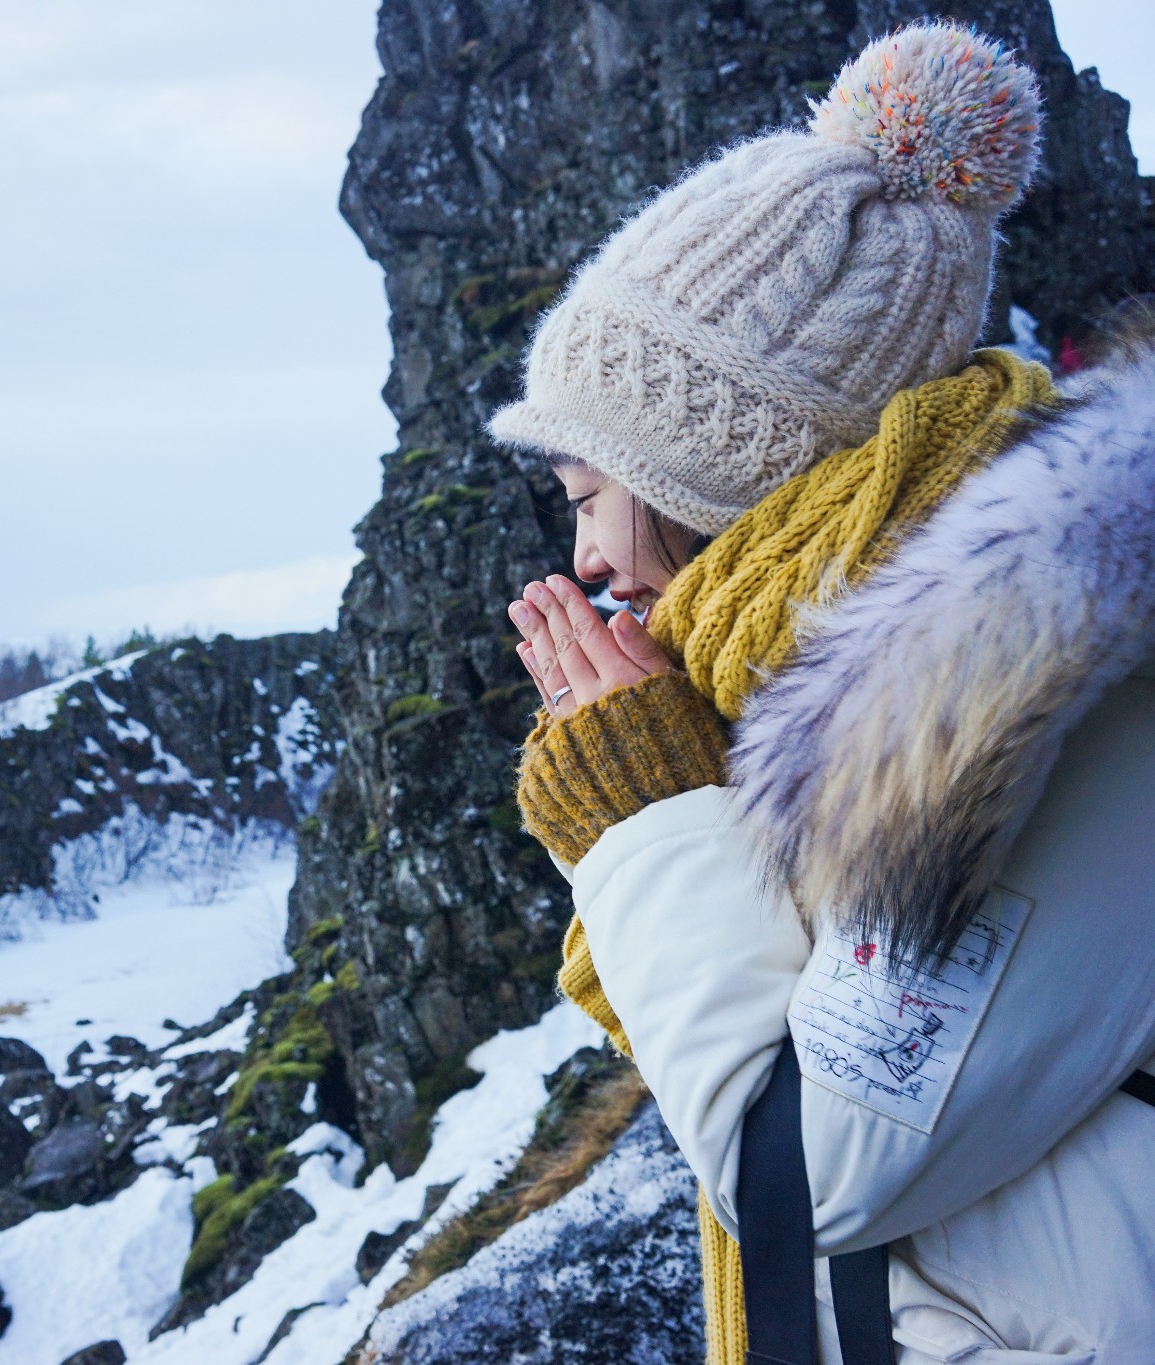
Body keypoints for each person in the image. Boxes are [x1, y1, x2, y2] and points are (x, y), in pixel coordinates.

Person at [491, 20, 1155, 1365]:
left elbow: (809, 1171)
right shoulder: (884, 657)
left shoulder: (1009, 684)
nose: (587, 560)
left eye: (589, 494)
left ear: (720, 468)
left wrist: (648, 819)